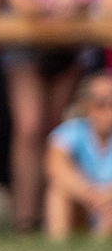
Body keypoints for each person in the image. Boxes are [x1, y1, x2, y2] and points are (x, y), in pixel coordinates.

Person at [0, 0, 107, 231]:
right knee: (29, 127)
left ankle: (55, 214)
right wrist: (50, 2)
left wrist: (69, 1)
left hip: (67, 47)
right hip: (26, 47)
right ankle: (25, 216)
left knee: (56, 129)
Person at [44, 73, 112, 241]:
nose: (108, 109)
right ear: (87, 105)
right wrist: (91, 195)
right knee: (58, 190)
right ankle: (58, 248)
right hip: (86, 204)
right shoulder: (72, 131)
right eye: (101, 102)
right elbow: (55, 167)